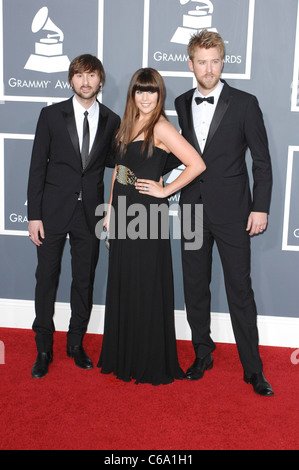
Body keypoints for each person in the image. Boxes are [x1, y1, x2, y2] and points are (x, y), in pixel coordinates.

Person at [174, 30, 274, 396]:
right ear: (191, 64)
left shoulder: (245, 103)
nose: (209, 68)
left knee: (240, 291)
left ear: (222, 61)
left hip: (234, 212)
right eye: (202, 61)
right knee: (195, 288)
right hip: (192, 211)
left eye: (215, 60)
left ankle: (253, 369)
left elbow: (261, 162)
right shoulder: (183, 102)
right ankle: (203, 353)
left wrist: (260, 207)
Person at [97, 68, 206, 385]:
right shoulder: (125, 126)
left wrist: (165, 190)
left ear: (160, 96)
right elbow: (119, 169)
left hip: (147, 214)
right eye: (140, 91)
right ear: (132, 94)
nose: (145, 97)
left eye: (152, 91)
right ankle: (124, 356)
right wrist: (109, 212)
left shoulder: (162, 127)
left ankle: (146, 360)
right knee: (125, 280)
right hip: (123, 211)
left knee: (145, 283)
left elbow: (196, 164)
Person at [27, 54, 121, 379]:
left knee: (84, 280)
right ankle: (43, 348)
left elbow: (118, 165)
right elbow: (37, 166)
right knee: (46, 280)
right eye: (79, 75)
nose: (85, 81)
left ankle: (76, 343)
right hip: (52, 213)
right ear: (71, 80)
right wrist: (33, 215)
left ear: (100, 81)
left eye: (91, 75)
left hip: (90, 214)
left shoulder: (112, 120)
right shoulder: (51, 115)